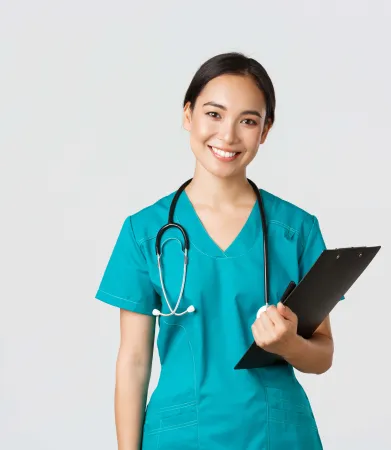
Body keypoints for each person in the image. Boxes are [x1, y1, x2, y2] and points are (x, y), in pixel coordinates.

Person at [95, 52, 340, 450]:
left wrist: (288, 344)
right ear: (188, 114)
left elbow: (322, 355)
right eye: (214, 114)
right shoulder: (144, 232)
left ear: (265, 131)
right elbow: (134, 361)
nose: (228, 135)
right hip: (180, 436)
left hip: (275, 436)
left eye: (247, 121)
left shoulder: (296, 231)